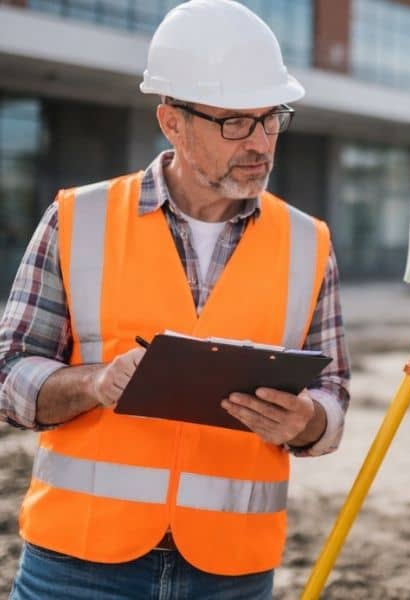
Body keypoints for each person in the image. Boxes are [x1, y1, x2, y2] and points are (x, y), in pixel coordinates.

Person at [0, 1, 350, 598]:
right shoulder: (77, 219)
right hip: (79, 564)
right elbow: (8, 376)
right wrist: (94, 382)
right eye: (235, 122)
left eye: (271, 118)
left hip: (232, 570)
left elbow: (332, 393)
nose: (260, 142)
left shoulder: (307, 242)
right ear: (172, 122)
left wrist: (309, 420)